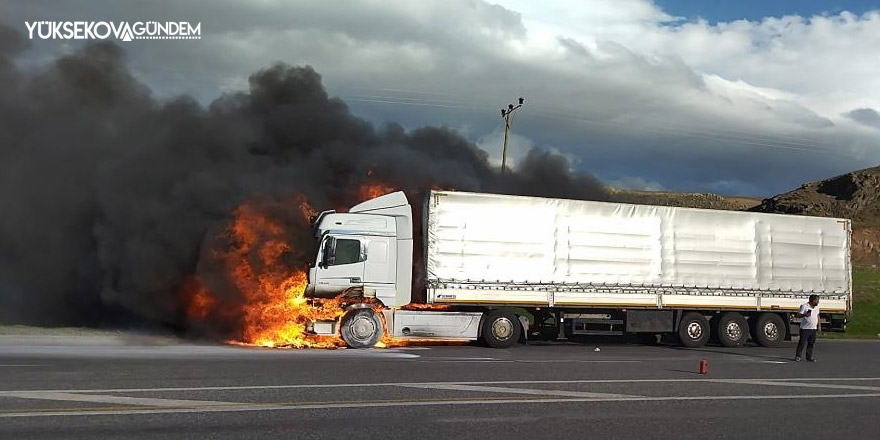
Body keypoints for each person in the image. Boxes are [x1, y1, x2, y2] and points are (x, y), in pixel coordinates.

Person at [794, 294, 820, 362]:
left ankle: (809, 357)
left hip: (813, 329)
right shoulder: (804, 306)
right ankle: (798, 356)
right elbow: (798, 315)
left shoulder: (816, 308)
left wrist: (819, 325)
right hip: (805, 329)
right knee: (802, 343)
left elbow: (818, 316)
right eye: (817, 300)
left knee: (811, 343)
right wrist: (805, 315)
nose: (818, 302)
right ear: (813, 300)